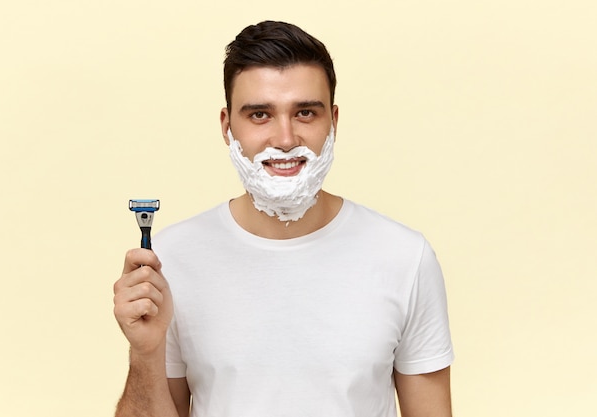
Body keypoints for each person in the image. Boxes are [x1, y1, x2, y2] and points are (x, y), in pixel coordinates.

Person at [113, 20, 454, 417]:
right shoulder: (170, 258)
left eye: (305, 112)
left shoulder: (404, 258)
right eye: (260, 115)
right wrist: (145, 354)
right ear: (228, 127)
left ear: (334, 122)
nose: (286, 139)